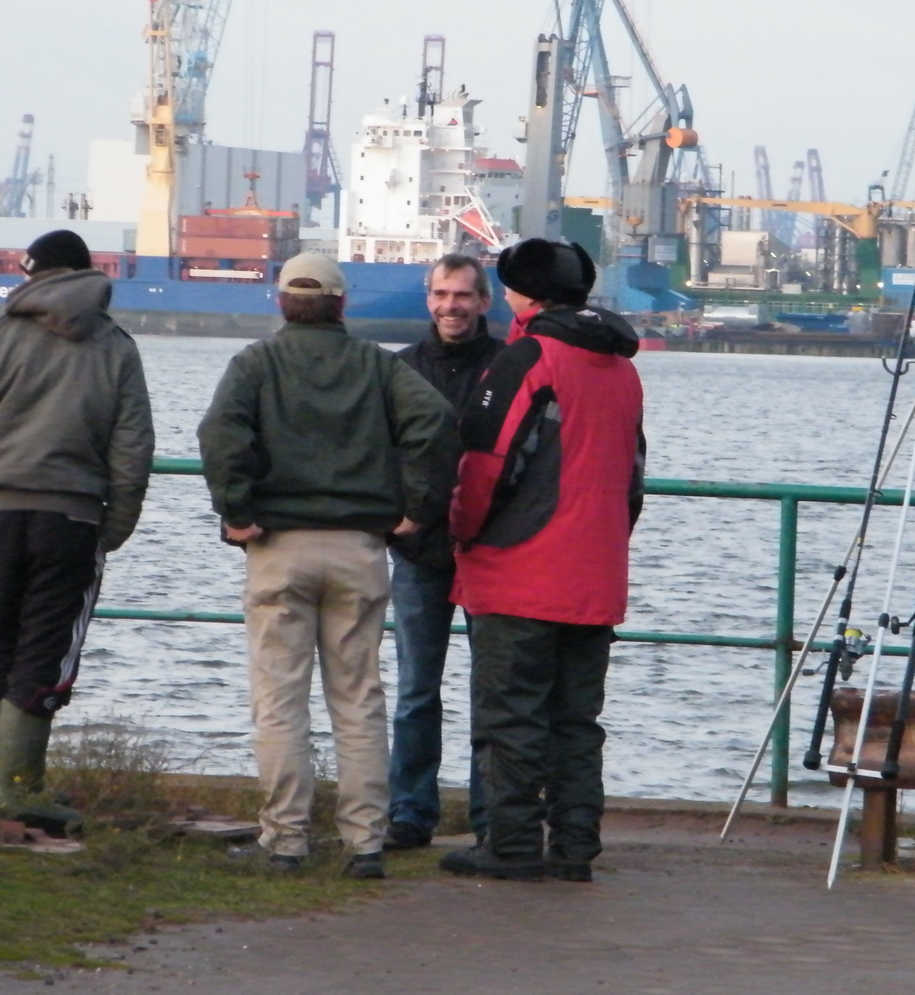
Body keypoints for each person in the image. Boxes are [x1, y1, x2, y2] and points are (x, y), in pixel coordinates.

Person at [197, 253, 457, 879]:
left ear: (281, 302)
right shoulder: (376, 364)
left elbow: (219, 433)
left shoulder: (255, 363)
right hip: (358, 549)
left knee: (280, 700)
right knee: (359, 699)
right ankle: (365, 842)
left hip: (278, 547)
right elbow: (436, 420)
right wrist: (415, 507)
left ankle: (285, 840)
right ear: (343, 303)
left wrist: (237, 512)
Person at [437, 238, 645, 882]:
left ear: (522, 294)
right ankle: (575, 846)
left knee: (511, 716)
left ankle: (511, 844)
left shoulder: (529, 356)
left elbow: (487, 464)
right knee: (576, 721)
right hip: (596, 573)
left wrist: (460, 533)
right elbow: (633, 478)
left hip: (519, 573)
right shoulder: (623, 368)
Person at [0, 229, 154, 836]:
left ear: (33, 274)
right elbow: (132, 448)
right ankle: (22, 790)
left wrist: (4, 445)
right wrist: (115, 527)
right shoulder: (115, 345)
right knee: (47, 648)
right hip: (73, 516)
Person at [384, 254, 504, 851]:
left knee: (494, 693)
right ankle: (410, 813)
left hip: (492, 553)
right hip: (418, 551)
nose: (450, 306)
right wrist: (396, 523)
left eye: (462, 295)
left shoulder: (509, 367)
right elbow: (378, 452)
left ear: (484, 301)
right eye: (441, 294)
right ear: (428, 298)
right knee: (415, 691)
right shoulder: (400, 369)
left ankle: (492, 817)